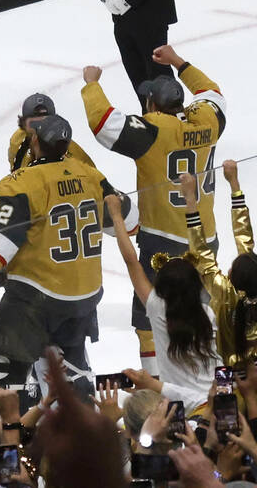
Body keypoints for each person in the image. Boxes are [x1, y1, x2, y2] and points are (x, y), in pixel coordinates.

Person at [0, 116, 132, 412]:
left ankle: (19, 417)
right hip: (86, 295)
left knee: (6, 353)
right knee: (72, 351)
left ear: (34, 142)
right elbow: (126, 216)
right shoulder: (90, 175)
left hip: (39, 297)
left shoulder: (21, 184)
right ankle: (79, 393)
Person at [81, 43, 225, 373]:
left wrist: (91, 85)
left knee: (149, 319)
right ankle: (205, 374)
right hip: (206, 238)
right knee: (201, 311)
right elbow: (212, 94)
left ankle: (158, 385)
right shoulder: (206, 120)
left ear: (152, 104)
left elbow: (104, 125)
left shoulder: (153, 131)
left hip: (163, 243)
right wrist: (179, 63)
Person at [107, 184, 221, 411]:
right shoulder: (208, 313)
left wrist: (116, 215)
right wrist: (191, 199)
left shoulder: (158, 308)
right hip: (216, 401)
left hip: (182, 408)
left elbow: (132, 262)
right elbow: (202, 252)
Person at [183, 160, 256, 368]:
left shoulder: (226, 294)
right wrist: (234, 185)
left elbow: (200, 252)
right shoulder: (245, 289)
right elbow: (245, 239)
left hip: (232, 380)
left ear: (233, 277)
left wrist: (190, 198)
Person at [6, 93, 94, 171]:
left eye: (45, 122)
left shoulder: (67, 147)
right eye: (34, 123)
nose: (40, 128)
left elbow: (92, 178)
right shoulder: (17, 140)